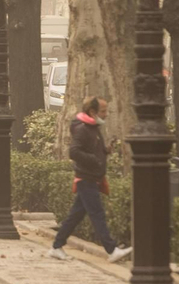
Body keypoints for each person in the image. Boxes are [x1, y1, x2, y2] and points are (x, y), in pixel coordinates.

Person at [47, 96, 133, 264]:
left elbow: (91, 149)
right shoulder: (83, 129)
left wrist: (105, 151)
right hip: (86, 178)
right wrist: (95, 159)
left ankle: (56, 246)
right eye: (103, 111)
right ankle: (111, 249)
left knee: (76, 215)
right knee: (97, 214)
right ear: (92, 112)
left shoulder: (93, 127)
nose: (106, 114)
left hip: (92, 177)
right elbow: (74, 152)